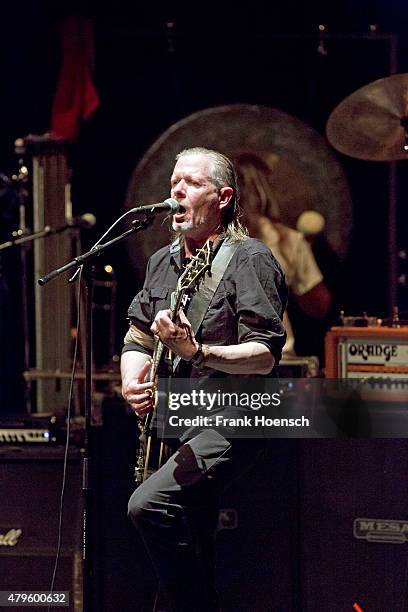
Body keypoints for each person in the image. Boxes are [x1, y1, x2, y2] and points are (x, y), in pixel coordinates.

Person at [121, 147, 287, 611]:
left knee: (148, 505)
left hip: (234, 417)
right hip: (177, 416)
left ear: (223, 197)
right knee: (192, 537)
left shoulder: (249, 259)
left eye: (192, 183)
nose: (177, 191)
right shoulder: (162, 261)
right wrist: (131, 379)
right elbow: (136, 332)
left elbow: (265, 356)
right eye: (174, 182)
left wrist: (199, 351)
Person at [234, 152, 331, 356]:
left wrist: (306, 255)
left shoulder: (286, 241)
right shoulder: (202, 240)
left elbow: (319, 306)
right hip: (215, 364)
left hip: (275, 362)